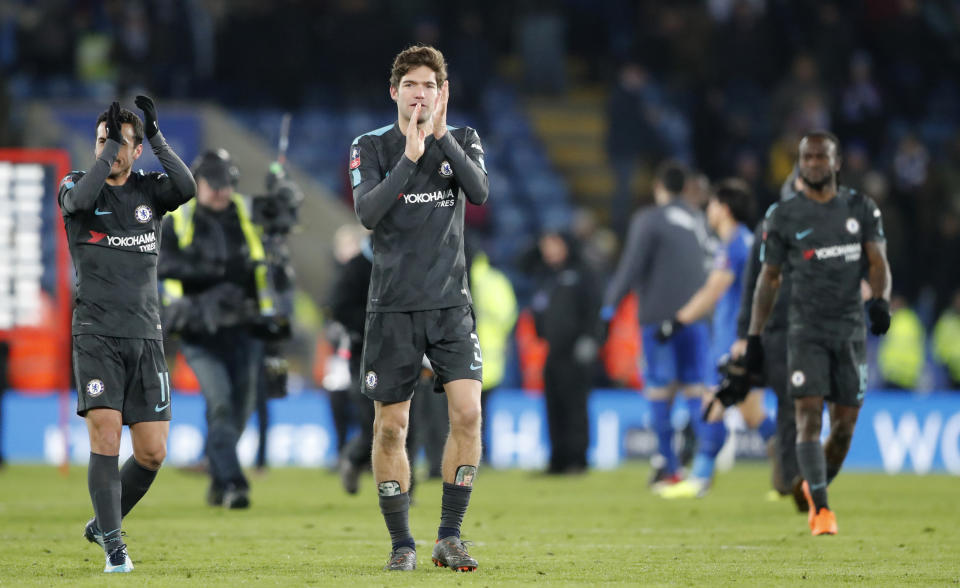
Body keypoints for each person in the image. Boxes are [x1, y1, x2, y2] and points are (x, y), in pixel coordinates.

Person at [350, 45, 488, 572]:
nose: (420, 93)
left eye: (430, 84)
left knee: (469, 414)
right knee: (391, 428)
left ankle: (449, 536)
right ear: (395, 92)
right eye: (411, 84)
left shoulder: (465, 141)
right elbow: (367, 213)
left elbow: (479, 193)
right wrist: (409, 157)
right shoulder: (371, 146)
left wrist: (440, 139)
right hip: (392, 309)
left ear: (442, 93)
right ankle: (401, 543)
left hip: (451, 305)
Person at [58, 97, 196, 573]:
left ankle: (102, 523)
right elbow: (78, 202)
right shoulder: (76, 186)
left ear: (137, 152)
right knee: (106, 434)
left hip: (146, 336)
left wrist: (155, 136)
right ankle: (115, 547)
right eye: (103, 141)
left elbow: (187, 186)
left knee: (154, 452)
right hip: (96, 335)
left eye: (120, 144)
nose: (111, 150)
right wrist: (108, 148)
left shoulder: (149, 191)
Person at [745, 131, 891, 536]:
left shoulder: (861, 208)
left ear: (836, 162)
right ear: (799, 163)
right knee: (808, 416)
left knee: (842, 430)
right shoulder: (783, 216)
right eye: (806, 157)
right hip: (804, 331)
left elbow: (878, 261)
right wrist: (754, 337)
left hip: (849, 332)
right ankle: (822, 510)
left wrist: (879, 300)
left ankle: (811, 485)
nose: (812, 163)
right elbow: (768, 279)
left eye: (820, 157)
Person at [157, 148, 270, 510]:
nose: (223, 192)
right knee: (220, 403)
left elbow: (268, 265)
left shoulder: (247, 215)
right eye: (215, 185)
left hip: (246, 327)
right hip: (199, 330)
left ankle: (218, 479)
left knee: (240, 409)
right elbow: (165, 265)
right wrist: (215, 274)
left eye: (228, 185)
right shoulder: (178, 219)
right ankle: (235, 483)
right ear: (198, 183)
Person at [656, 179, 781, 499]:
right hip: (746, 339)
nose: (708, 210)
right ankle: (793, 475)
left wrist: (677, 321)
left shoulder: (734, 245)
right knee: (753, 415)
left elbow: (713, 290)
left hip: (732, 341)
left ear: (723, 209)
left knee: (712, 406)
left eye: (712, 205)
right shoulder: (747, 241)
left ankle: (700, 479)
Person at [601, 161, 712, 489]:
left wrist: (608, 309)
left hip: (659, 318)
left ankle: (669, 467)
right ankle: (703, 468)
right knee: (695, 389)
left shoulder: (649, 219)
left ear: (658, 187)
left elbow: (630, 267)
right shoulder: (699, 219)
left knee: (660, 389)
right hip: (697, 317)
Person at [527, 230, 601, 474]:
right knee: (554, 407)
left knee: (575, 407)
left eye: (553, 245)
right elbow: (522, 262)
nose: (548, 251)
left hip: (576, 351)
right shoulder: (547, 275)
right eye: (545, 246)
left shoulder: (582, 273)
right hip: (553, 350)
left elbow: (595, 308)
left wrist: (591, 339)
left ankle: (578, 459)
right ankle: (557, 460)